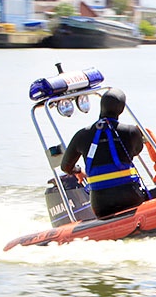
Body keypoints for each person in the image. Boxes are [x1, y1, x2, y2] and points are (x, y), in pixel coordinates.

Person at [61, 88, 148, 219]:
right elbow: (136, 150)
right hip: (131, 198)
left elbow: (65, 167)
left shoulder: (82, 135)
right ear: (122, 109)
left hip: (100, 206)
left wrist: (78, 170)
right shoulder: (131, 132)